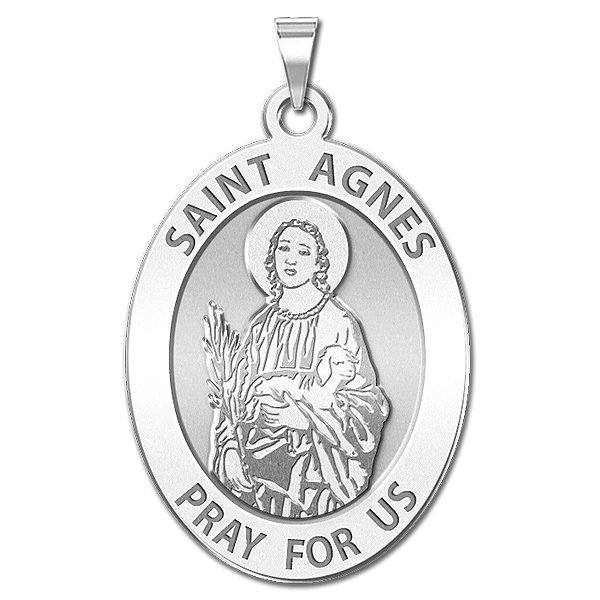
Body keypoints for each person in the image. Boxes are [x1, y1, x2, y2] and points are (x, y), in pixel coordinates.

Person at [209, 217, 389, 517]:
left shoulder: (338, 323)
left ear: (319, 263)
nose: (291, 259)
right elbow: (234, 396)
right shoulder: (261, 327)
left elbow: (368, 407)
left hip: (315, 481)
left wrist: (307, 418)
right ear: (272, 256)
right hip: (260, 479)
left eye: (304, 252)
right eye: (284, 248)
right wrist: (228, 448)